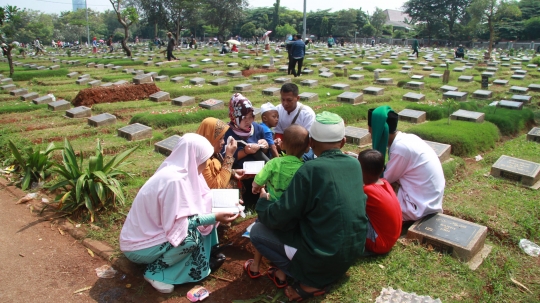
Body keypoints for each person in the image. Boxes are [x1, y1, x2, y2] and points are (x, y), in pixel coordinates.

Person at [249, 112, 368, 301]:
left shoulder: (310, 170)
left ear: (311, 143)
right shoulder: (355, 164)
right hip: (353, 251)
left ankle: (307, 280)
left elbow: (279, 216)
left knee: (257, 231)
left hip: (323, 256)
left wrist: (263, 202)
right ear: (344, 142)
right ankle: (322, 271)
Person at [119, 134, 240, 294]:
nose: (206, 163)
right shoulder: (174, 180)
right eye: (204, 159)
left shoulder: (184, 171)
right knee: (190, 237)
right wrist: (216, 216)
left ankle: (203, 258)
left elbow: (205, 197)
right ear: (193, 157)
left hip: (154, 231)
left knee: (205, 214)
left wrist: (229, 202)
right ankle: (155, 273)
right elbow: (183, 222)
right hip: (139, 247)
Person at [368, 106, 445, 222]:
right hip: (428, 200)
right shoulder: (406, 139)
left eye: (371, 132)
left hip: (418, 207)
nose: (371, 136)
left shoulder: (401, 148)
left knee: (370, 191)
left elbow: (383, 178)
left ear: (380, 131)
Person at [221, 93, 269, 207]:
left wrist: (265, 146)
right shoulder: (227, 132)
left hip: (259, 175)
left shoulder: (258, 128)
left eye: (251, 116)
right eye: (244, 118)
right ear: (234, 117)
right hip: (240, 176)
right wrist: (245, 152)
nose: (248, 121)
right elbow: (224, 158)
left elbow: (267, 155)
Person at [357, 149, 402, 255]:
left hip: (379, 244)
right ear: (382, 169)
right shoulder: (385, 183)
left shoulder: (367, 191)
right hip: (390, 239)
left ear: (358, 169)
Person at [196, 117, 245, 189]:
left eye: (223, 138)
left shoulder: (214, 154)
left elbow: (219, 172)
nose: (223, 142)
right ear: (208, 138)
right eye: (220, 139)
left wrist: (233, 172)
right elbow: (217, 187)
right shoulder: (202, 161)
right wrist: (229, 156)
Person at [274, 83, 316, 161]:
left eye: (289, 100)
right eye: (283, 99)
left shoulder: (307, 114)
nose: (285, 103)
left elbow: (308, 140)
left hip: (302, 149)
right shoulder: (278, 110)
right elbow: (278, 132)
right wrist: (278, 141)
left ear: (297, 98)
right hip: (284, 147)